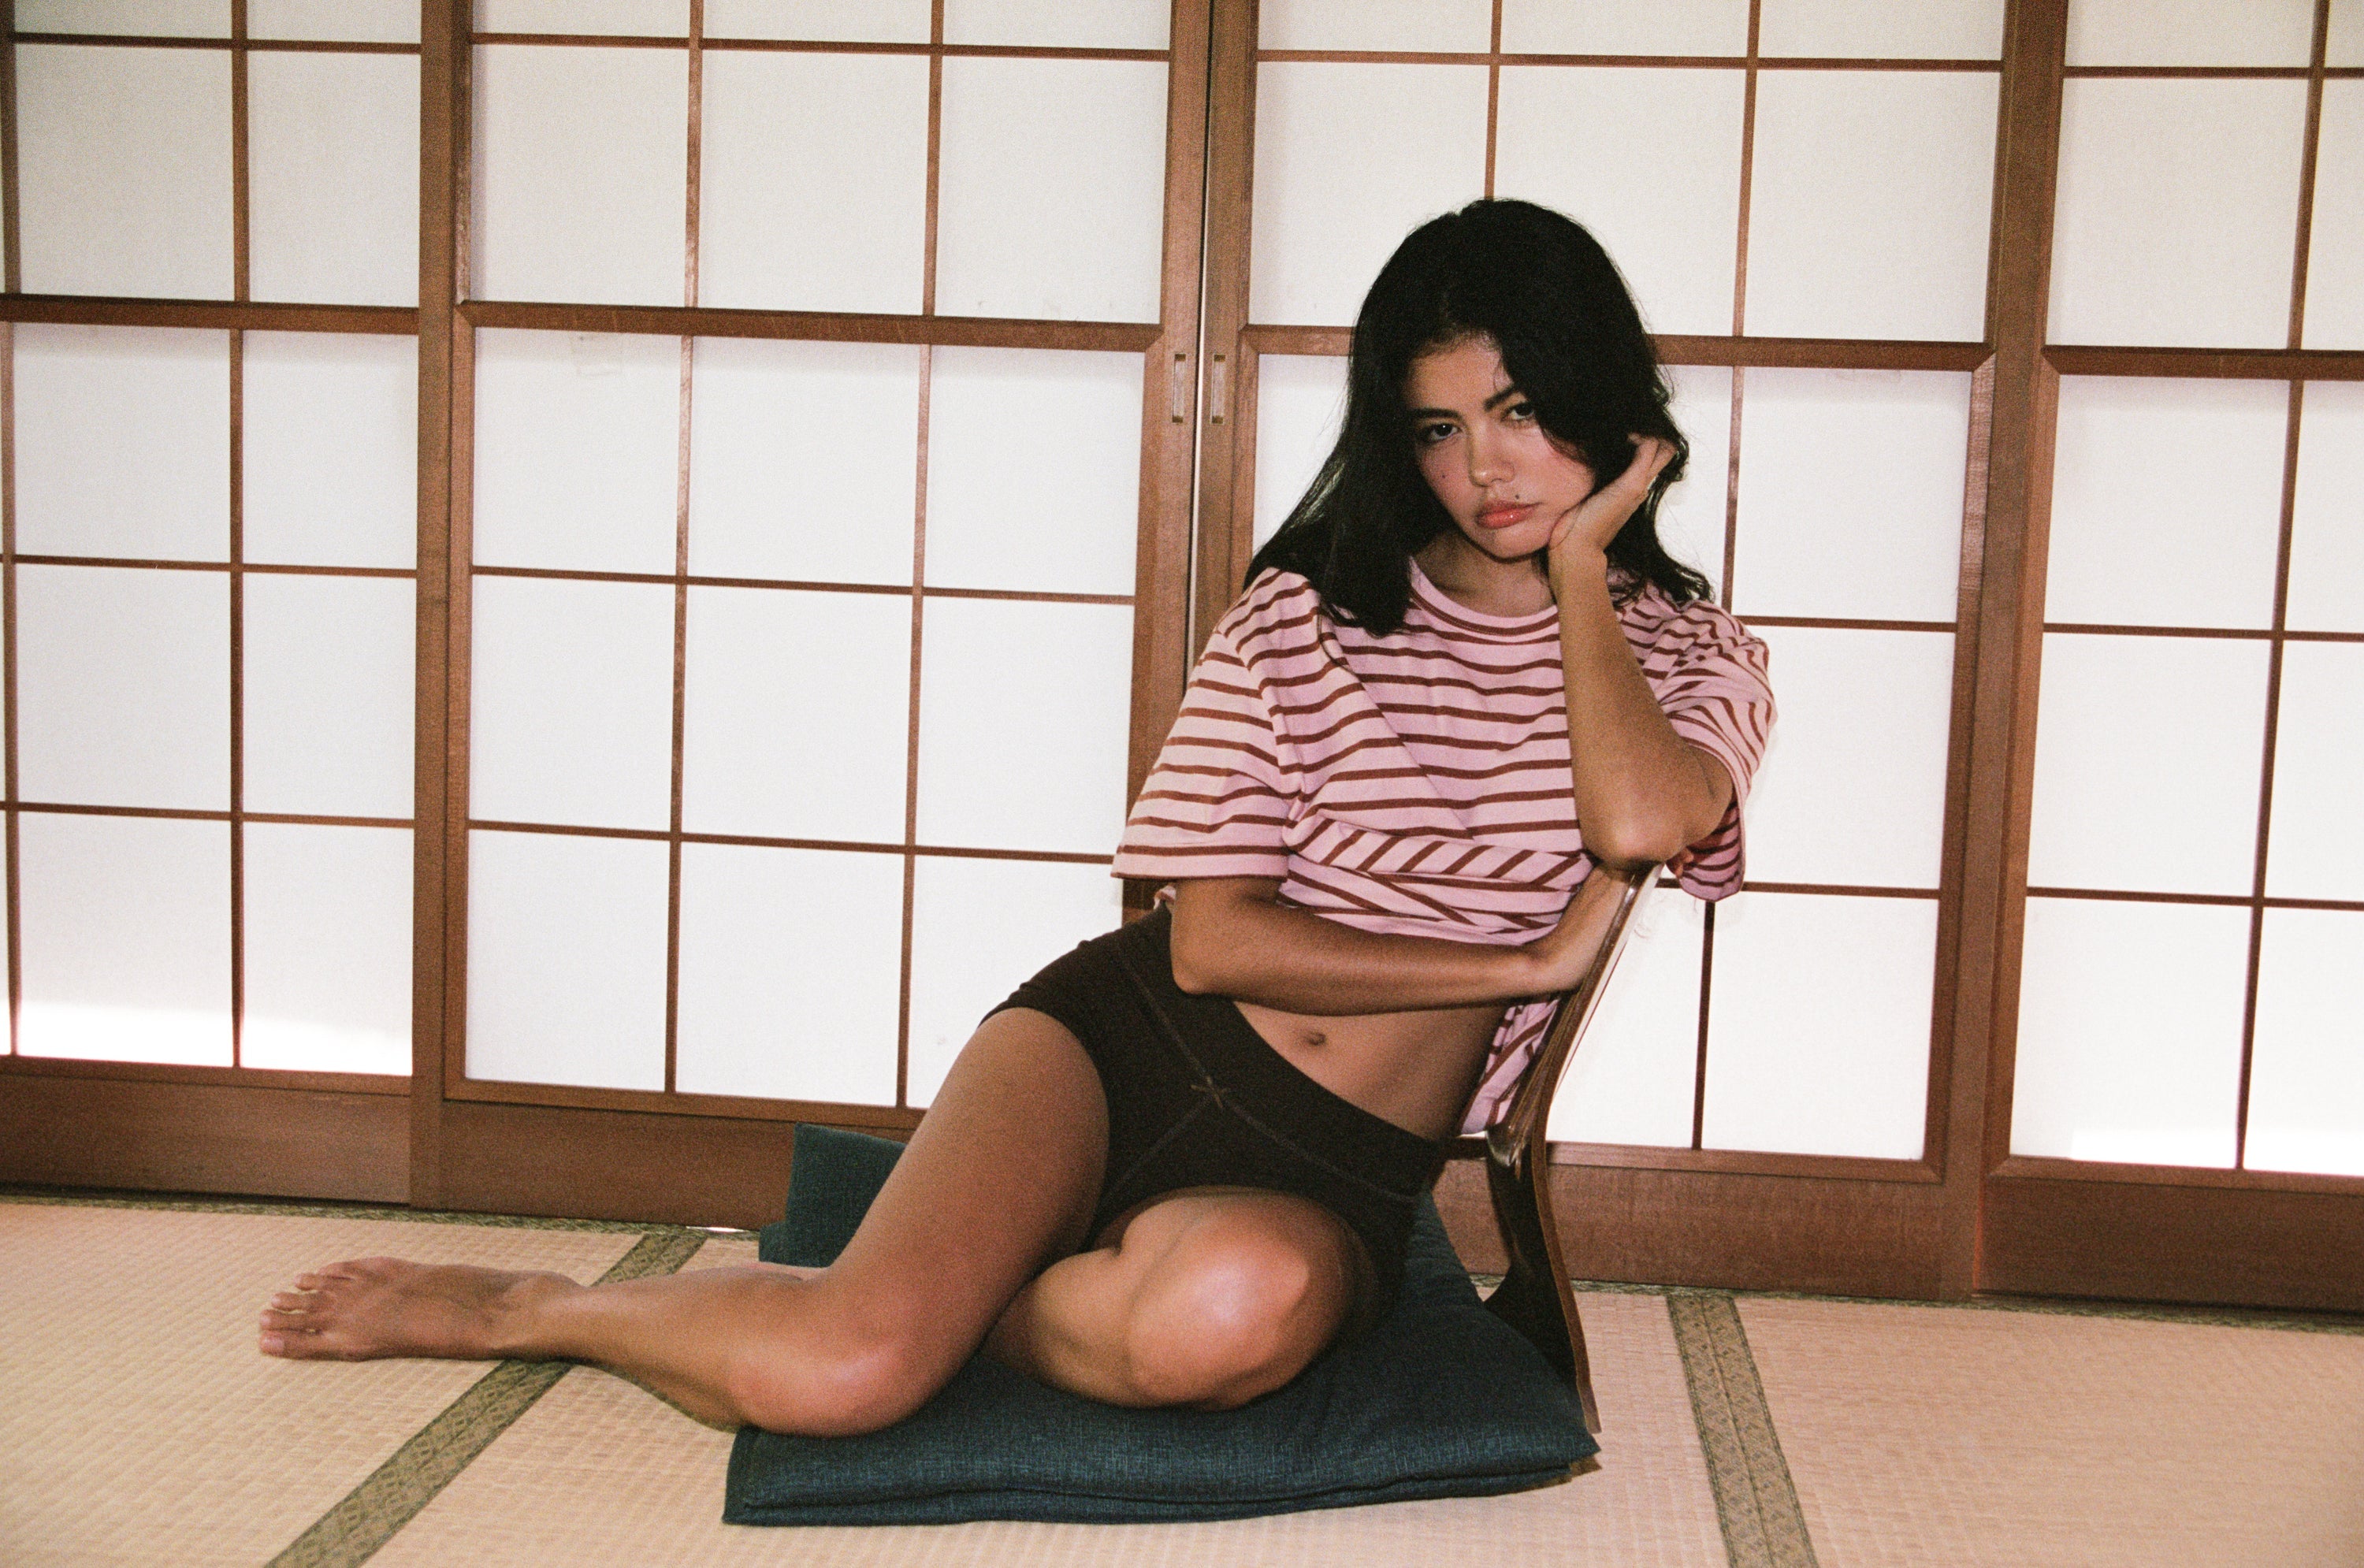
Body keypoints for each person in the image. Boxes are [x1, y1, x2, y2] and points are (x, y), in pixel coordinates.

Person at [257, 199, 1774, 1433]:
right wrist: (1512, 965)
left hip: (1332, 1168)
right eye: (1437, 428)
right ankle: (544, 1309)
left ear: (1600, 399)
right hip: (1124, 1050)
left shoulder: (1695, 660)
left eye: (1519, 410)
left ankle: (958, 1300)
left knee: (1224, 1315)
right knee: (844, 1375)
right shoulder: (1307, 614)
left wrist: (1585, 572)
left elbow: (1641, 819)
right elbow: (1208, 944)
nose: (1483, 467)